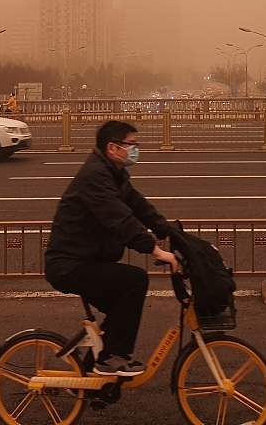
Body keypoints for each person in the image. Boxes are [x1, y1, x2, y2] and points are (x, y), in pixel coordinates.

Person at [44, 120, 178, 377]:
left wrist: (169, 232)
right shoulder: (95, 176)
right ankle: (110, 359)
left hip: (87, 259)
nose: (135, 149)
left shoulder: (113, 173)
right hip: (70, 264)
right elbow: (119, 218)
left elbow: (138, 205)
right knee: (134, 282)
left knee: (122, 307)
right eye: (132, 145)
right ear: (112, 147)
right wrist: (155, 249)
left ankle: (90, 373)